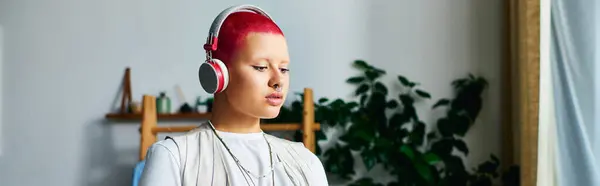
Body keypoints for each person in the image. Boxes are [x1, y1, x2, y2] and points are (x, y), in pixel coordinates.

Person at [138, 4, 329, 186]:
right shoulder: (174, 157)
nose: (278, 80)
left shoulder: (305, 162)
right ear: (217, 74)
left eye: (284, 69)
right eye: (261, 67)